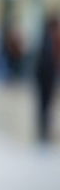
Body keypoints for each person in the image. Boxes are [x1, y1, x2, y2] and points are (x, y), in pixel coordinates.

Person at [34, 13, 59, 143]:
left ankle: (44, 128)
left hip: (44, 76)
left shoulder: (46, 38)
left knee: (45, 103)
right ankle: (43, 129)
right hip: (46, 77)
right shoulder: (50, 39)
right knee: (45, 103)